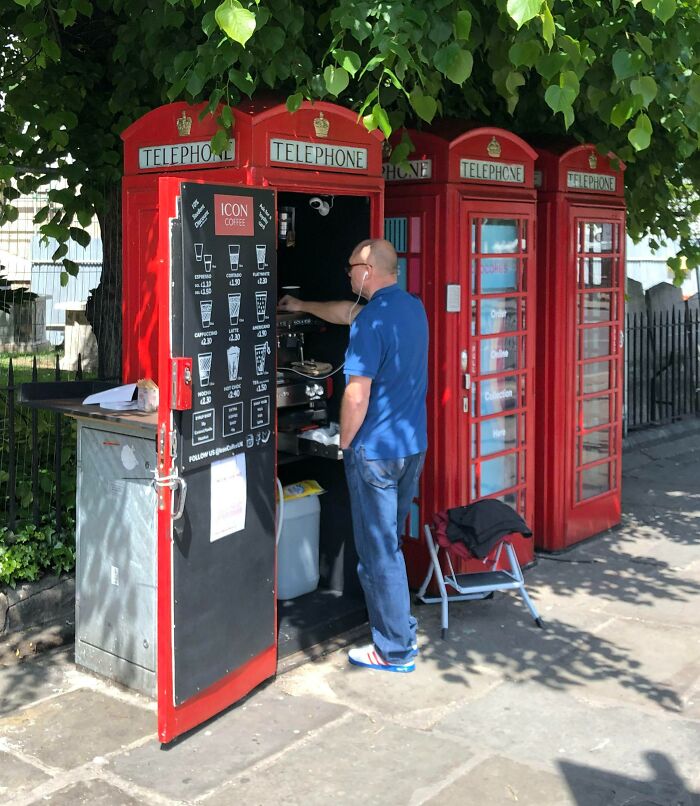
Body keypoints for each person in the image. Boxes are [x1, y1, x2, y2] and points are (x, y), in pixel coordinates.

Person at [278, 238, 428, 673]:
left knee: (378, 551)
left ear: (367, 270)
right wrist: (301, 304)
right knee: (390, 545)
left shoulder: (372, 322)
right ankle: (399, 623)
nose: (346, 274)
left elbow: (356, 393)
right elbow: (344, 311)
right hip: (411, 446)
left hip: (376, 452)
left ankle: (394, 649)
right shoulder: (410, 308)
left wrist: (343, 443)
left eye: (350, 268)